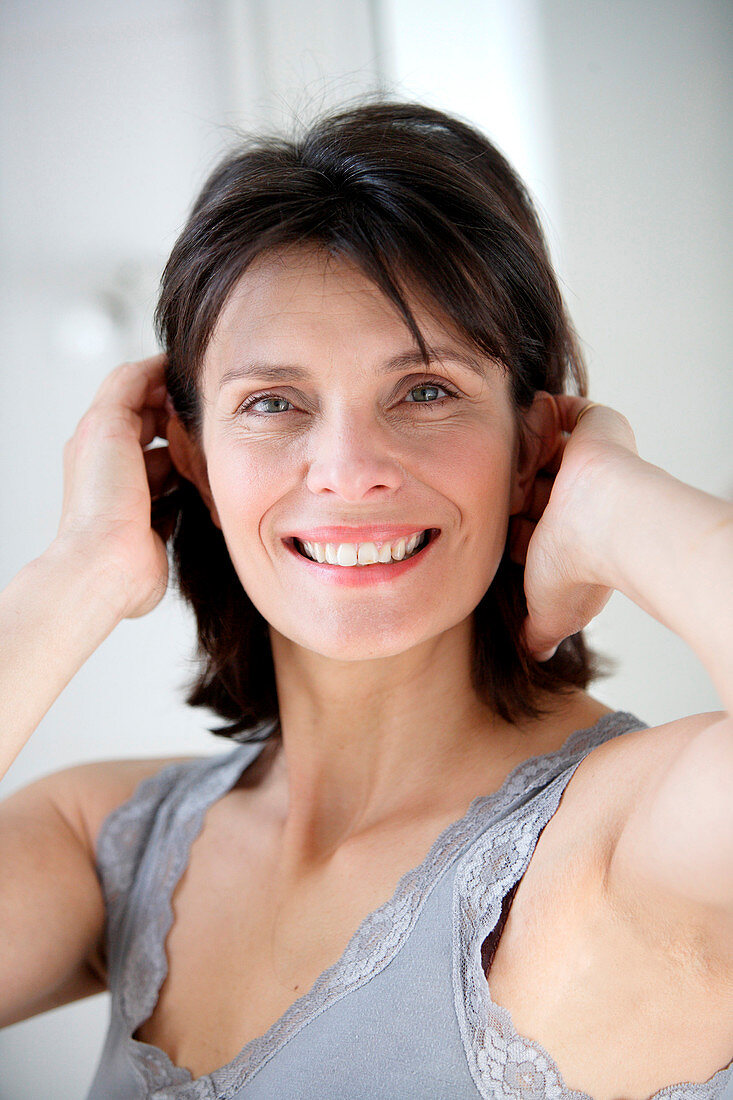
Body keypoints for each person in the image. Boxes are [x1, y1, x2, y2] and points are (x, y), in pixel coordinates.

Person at [0, 99, 731, 1100]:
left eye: (425, 389)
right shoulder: (110, 841)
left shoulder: (624, 847)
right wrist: (78, 570)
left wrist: (615, 506)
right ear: (191, 453)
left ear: (534, 448)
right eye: (273, 402)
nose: (348, 470)